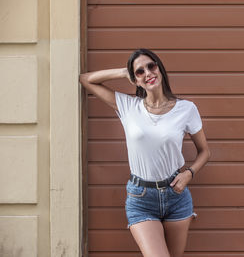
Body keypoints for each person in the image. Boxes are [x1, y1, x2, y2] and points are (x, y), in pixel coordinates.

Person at [79, 48, 210, 257]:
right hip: (141, 198)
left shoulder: (186, 109)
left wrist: (189, 174)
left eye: (151, 66)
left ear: (160, 69)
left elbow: (204, 152)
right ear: (136, 80)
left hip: (176, 195)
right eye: (140, 71)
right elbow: (86, 80)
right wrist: (124, 72)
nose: (148, 73)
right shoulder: (128, 106)